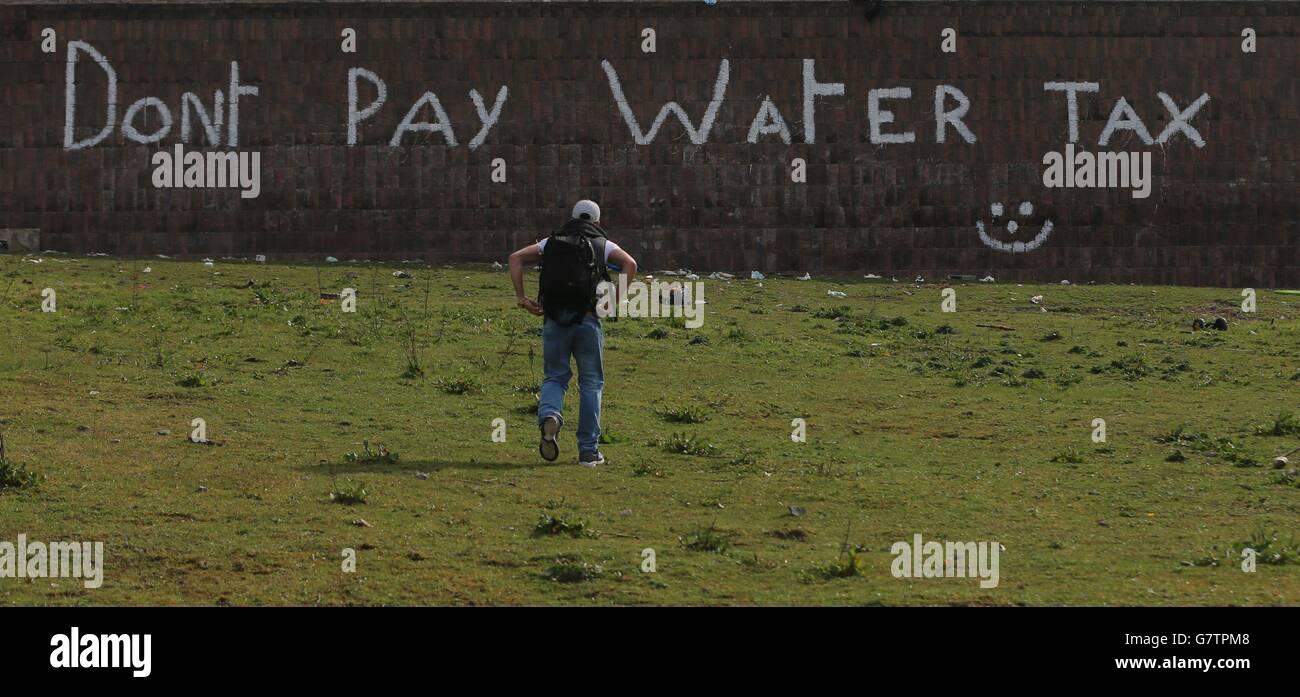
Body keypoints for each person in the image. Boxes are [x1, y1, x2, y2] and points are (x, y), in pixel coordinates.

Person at [508, 200, 638, 467]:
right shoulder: (604, 245)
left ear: (572, 218)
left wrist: (522, 298)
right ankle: (588, 452)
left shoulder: (550, 242)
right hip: (588, 321)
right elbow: (630, 265)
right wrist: (614, 302)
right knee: (591, 383)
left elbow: (515, 259)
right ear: (597, 222)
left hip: (554, 320)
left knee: (555, 377)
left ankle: (550, 415)